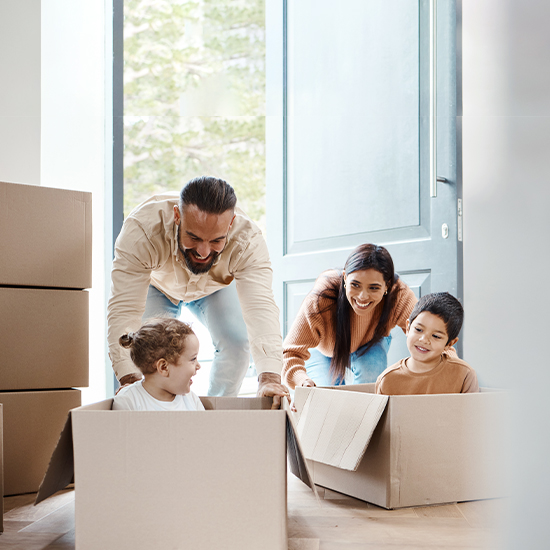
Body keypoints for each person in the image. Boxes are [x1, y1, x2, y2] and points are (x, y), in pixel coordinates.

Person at [107, 176, 289, 407]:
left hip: (215, 287)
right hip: (157, 286)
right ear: (177, 216)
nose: (203, 251)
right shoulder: (142, 230)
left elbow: (260, 308)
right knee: (150, 356)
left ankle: (215, 414)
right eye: (193, 237)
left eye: (216, 240)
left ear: (230, 224)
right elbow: (124, 309)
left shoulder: (248, 241)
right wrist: (130, 380)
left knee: (236, 340)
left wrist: (270, 377)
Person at [282, 243, 417, 389]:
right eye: (355, 285)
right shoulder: (323, 296)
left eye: (374, 288)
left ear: (387, 285)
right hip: (324, 349)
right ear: (345, 278)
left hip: (370, 342)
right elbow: (290, 353)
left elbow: (432, 331)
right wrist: (302, 381)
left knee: (370, 380)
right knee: (327, 395)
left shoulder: (398, 294)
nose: (362, 297)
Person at [375, 292, 479, 394]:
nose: (424, 340)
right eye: (419, 330)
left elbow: (473, 410)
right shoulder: (387, 380)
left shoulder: (464, 375)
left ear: (450, 344)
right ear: (408, 328)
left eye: (436, 336)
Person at [113, 318, 205, 411]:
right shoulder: (128, 400)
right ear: (164, 367)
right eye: (193, 359)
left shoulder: (191, 400)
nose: (198, 366)